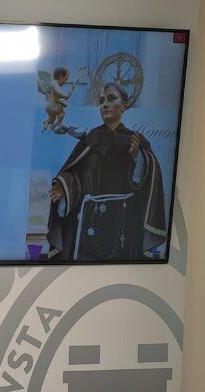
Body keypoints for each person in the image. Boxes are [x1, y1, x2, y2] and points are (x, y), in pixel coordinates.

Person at [46, 82, 167, 260]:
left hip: (124, 222)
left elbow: (149, 180)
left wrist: (137, 157)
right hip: (89, 221)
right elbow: (75, 174)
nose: (105, 105)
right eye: (102, 101)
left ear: (124, 105)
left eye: (111, 99)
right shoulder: (90, 140)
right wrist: (64, 187)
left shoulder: (136, 140)